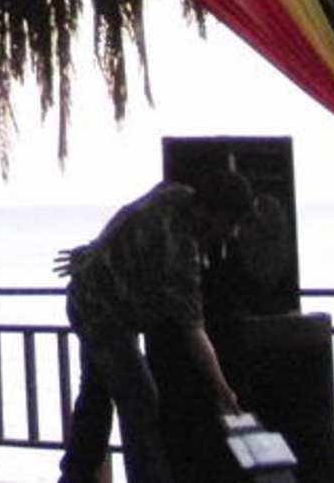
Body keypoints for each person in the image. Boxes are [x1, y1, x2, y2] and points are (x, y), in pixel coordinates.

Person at [55, 167, 256, 483]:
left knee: (97, 394)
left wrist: (95, 249)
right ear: (211, 212)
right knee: (140, 398)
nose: (232, 232)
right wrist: (223, 389)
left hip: (90, 298)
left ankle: (75, 474)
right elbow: (194, 331)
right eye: (231, 222)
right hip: (102, 314)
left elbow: (125, 217)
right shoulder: (181, 250)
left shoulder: (173, 193)